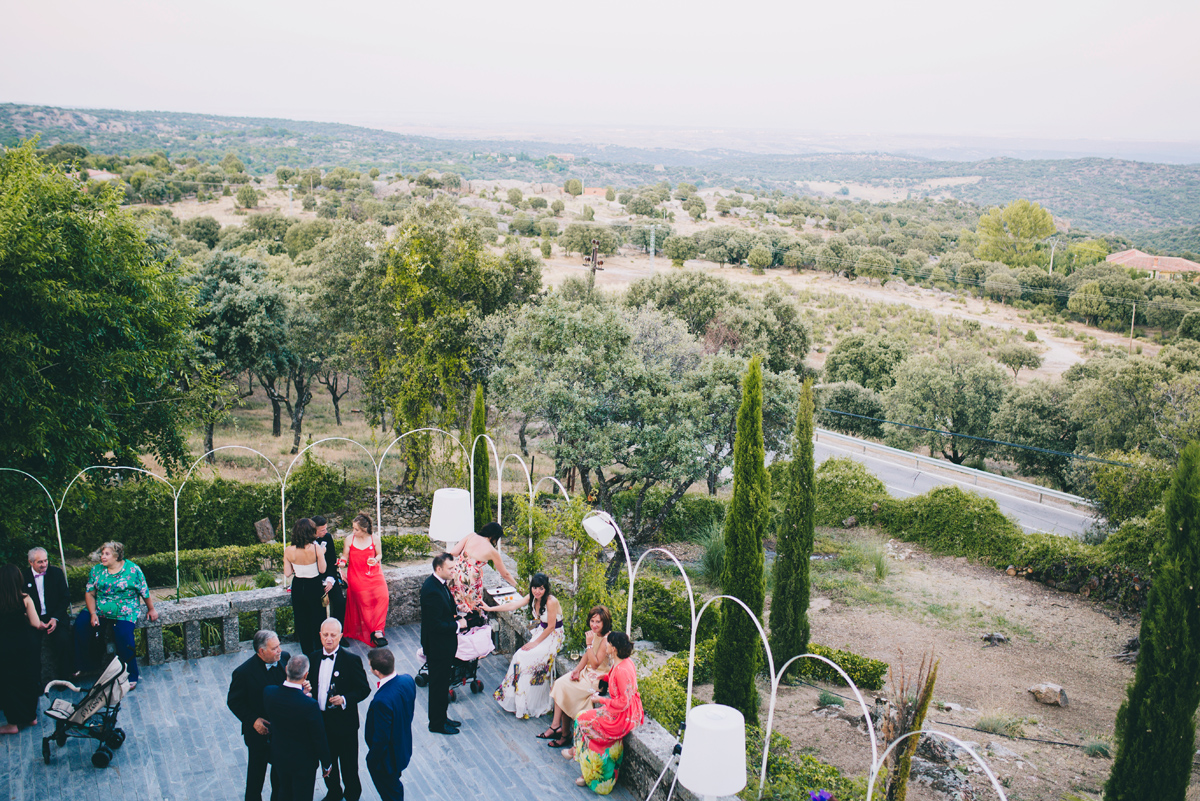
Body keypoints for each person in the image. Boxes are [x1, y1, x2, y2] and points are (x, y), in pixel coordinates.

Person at [564, 631, 644, 793]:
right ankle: (579, 758)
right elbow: (617, 680)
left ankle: (577, 754)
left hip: (622, 716)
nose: (605, 645)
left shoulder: (621, 669)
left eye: (608, 643)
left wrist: (599, 700)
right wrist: (603, 676)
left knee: (581, 720)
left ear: (613, 648)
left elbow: (623, 702)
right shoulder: (624, 662)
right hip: (626, 711)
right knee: (581, 718)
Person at [73, 540, 158, 689]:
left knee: (123, 635)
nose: (103, 557)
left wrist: (151, 609)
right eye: (102, 554)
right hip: (100, 608)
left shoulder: (133, 570)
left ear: (117, 555)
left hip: (125, 610)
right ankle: (83, 665)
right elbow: (90, 593)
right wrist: (93, 613)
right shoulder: (96, 571)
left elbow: (144, 591)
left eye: (107, 554)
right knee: (80, 624)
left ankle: (131, 674)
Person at [483, 572, 563, 719]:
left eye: (541, 588)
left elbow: (551, 626)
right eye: (534, 588)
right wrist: (490, 609)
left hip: (553, 635)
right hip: (540, 630)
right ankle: (517, 700)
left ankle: (528, 702)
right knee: (519, 656)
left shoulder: (551, 601)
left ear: (546, 589)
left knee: (525, 656)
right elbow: (513, 604)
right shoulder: (532, 597)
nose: (537, 591)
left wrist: (534, 643)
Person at [308, 618, 370, 801]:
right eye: (325, 635)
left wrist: (344, 699)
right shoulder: (312, 658)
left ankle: (352, 795)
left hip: (345, 725)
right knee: (327, 763)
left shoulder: (351, 660)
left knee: (349, 765)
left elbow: (364, 689)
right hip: (321, 723)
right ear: (320, 636)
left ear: (340, 636)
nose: (329, 639)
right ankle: (333, 792)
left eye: (333, 635)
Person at [227, 630, 290, 801]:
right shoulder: (243, 673)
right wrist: (253, 720)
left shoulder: (284, 658)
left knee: (280, 775)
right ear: (261, 651)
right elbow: (234, 702)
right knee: (256, 776)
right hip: (258, 735)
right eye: (274, 648)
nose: (279, 650)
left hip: (281, 732)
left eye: (279, 646)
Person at [263, 654, 332, 801]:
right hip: (303, 762)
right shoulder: (310, 705)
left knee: (283, 791)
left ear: (287, 669)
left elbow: (286, 700)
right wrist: (326, 763)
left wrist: (301, 693)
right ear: (306, 674)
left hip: (279, 756)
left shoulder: (269, 692)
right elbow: (319, 737)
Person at [543, 606, 614, 748]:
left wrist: (588, 644)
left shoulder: (606, 639)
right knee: (561, 683)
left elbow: (595, 664)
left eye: (598, 622)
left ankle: (563, 733)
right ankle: (558, 727)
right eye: (592, 621)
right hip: (586, 673)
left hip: (597, 679)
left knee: (566, 689)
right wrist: (576, 670)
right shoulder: (594, 634)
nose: (594, 625)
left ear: (604, 623)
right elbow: (586, 657)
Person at [419, 552, 464, 735]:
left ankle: (442, 717)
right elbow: (435, 624)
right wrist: (458, 625)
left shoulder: (441, 584)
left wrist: (457, 608)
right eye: (450, 568)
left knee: (443, 683)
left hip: (444, 646)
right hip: (438, 647)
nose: (454, 571)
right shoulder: (431, 589)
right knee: (438, 686)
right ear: (439, 569)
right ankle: (436, 724)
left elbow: (444, 607)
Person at [0, 563, 47, 734]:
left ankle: (12, 724)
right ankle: (31, 717)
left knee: (8, 684)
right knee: (29, 678)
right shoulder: (25, 598)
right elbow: (35, 623)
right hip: (26, 645)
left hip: (5, 647)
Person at [365, 647, 415, 801]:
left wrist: (371, 759)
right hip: (402, 746)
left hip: (386, 760)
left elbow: (382, 737)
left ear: (376, 671)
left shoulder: (382, 701)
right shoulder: (408, 680)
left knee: (391, 792)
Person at [447, 521, 517, 620]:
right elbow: (505, 574)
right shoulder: (492, 551)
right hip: (471, 580)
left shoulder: (471, 536)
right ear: (495, 536)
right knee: (472, 609)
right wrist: (517, 586)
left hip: (457, 573)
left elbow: (454, 552)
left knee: (456, 603)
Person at [22, 546, 72, 679]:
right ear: (31, 562)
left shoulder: (56, 573)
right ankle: (36, 681)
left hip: (55, 615)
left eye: (46, 560)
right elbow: (21, 604)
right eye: (40, 562)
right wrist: (35, 622)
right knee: (31, 644)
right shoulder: (23, 577)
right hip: (34, 618)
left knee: (63, 640)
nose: (44, 564)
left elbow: (65, 597)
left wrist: (55, 618)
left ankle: (64, 678)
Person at [343, 513, 389, 648]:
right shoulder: (349, 540)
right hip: (356, 575)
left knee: (383, 597)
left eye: (356, 529)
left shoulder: (374, 539)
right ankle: (375, 631)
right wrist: (341, 562)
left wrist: (375, 559)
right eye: (353, 529)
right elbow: (345, 556)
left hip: (374, 573)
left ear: (364, 529)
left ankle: (378, 628)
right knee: (364, 600)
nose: (353, 532)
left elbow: (379, 554)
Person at [285, 518, 327, 656]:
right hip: (314, 584)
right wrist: (322, 554)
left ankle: (307, 651)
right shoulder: (316, 549)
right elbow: (322, 570)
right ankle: (319, 650)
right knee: (318, 618)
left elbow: (287, 573)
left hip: (298, 585)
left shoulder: (288, 550)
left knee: (302, 620)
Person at [312, 516, 347, 634]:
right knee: (318, 607)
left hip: (329, 575)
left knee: (340, 602)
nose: (325, 532)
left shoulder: (327, 537)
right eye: (322, 530)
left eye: (326, 528)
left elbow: (332, 560)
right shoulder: (306, 541)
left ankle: (338, 634)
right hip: (314, 578)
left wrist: (330, 580)